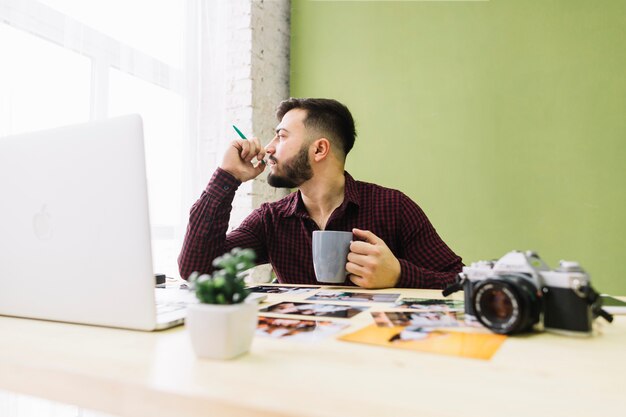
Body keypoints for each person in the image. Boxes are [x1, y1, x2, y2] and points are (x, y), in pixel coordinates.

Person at [178, 98, 462, 289]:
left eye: (282, 135)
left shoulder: (393, 207)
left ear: (319, 149)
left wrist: (398, 274)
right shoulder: (271, 220)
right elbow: (197, 271)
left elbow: (460, 280)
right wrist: (227, 178)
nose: (268, 148)